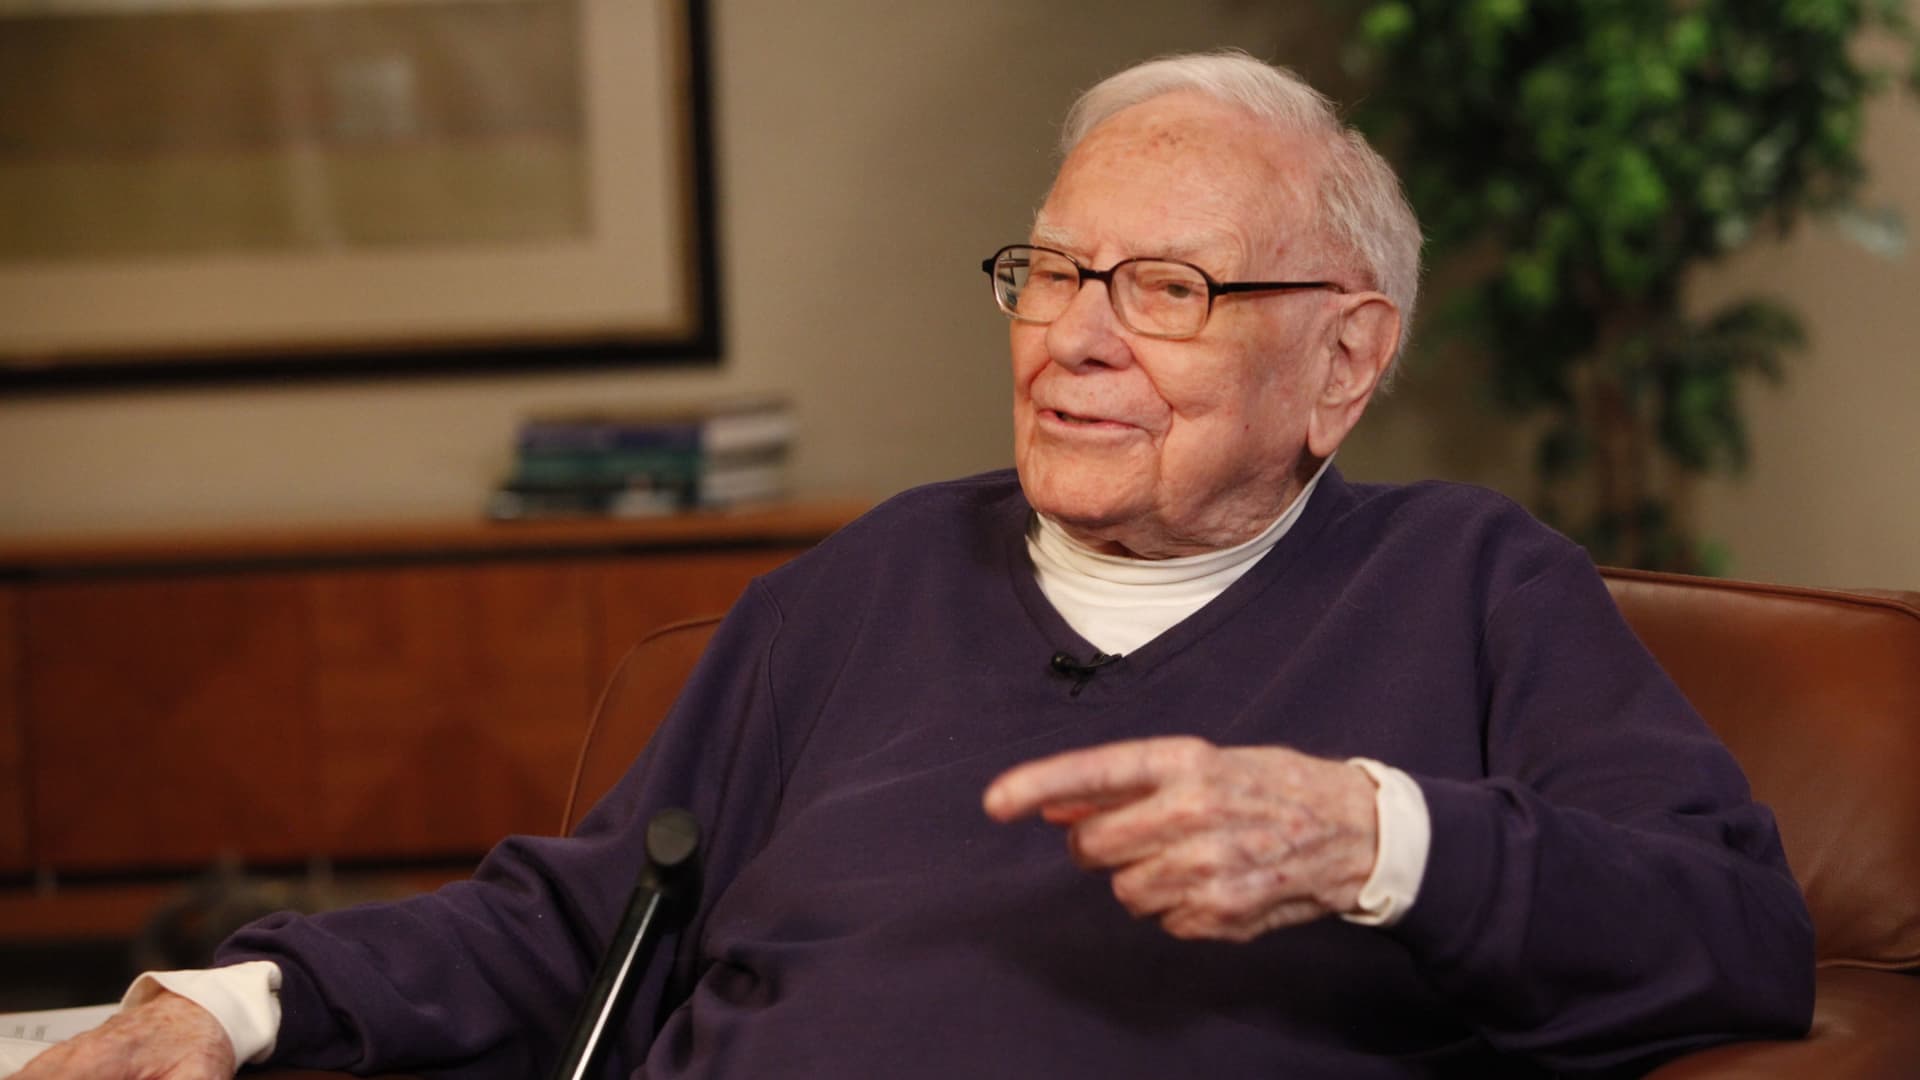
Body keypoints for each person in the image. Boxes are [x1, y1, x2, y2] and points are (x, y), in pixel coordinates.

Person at [24, 50, 1812, 1079]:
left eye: (1166, 290)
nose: (1076, 337)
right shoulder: (865, 584)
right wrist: (231, 1004)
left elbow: (1731, 934)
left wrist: (1368, 839)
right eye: (1053, 273)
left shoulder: (1471, 588)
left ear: (1345, 360)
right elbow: (583, 924)